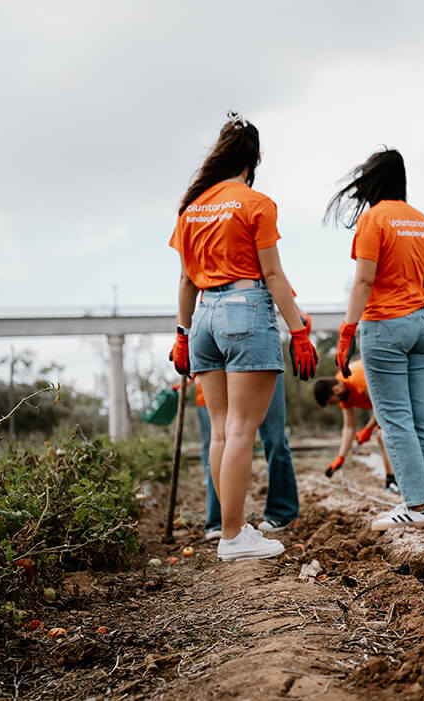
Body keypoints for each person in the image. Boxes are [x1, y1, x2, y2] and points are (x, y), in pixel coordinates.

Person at [170, 112, 317, 561]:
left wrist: (182, 333)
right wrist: (299, 332)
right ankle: (234, 537)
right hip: (245, 311)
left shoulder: (192, 206)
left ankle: (228, 529)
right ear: (253, 159)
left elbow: (185, 281)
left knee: (219, 431)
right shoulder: (255, 202)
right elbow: (272, 273)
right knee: (240, 430)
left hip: (205, 321)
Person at [324, 147, 424, 531]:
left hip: (386, 327)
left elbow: (363, 281)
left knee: (395, 419)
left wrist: (346, 334)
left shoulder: (373, 220)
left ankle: (415, 506)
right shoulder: (423, 222)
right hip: (423, 324)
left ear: (375, 180)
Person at [195, 375, 300, 540]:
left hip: (262, 361)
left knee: (274, 439)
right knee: (223, 437)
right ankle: (221, 520)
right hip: (219, 365)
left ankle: (281, 511)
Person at [313, 359, 399, 492]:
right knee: (382, 437)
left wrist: (368, 429)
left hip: (398, 391)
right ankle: (391, 481)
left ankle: (399, 481)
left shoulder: (357, 378)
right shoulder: (343, 393)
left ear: (336, 390)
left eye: (332, 402)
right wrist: (340, 458)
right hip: (388, 401)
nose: (336, 404)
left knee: (384, 436)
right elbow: (349, 427)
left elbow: (381, 404)